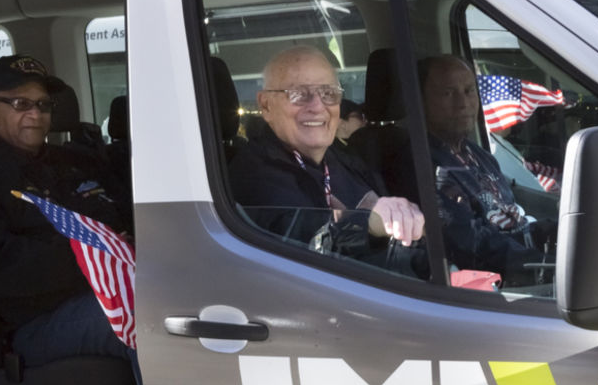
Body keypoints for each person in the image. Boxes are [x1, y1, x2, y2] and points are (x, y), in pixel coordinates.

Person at [0, 54, 140, 385]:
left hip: (118, 285)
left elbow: (126, 213)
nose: (35, 114)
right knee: (152, 319)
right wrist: (90, 255)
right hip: (39, 320)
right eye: (21, 103)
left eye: (43, 105)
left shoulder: (78, 161)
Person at [228, 46, 426, 272]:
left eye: (328, 93)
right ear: (265, 105)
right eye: (299, 94)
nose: (317, 106)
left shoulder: (342, 158)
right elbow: (301, 248)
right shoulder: (253, 176)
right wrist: (367, 223)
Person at [406, 55, 549, 277]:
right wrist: (547, 266)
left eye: (469, 91)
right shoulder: (423, 165)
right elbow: (473, 246)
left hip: (523, 257)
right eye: (447, 93)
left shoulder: (479, 155)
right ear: (421, 99)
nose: (463, 103)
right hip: (498, 284)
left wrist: (558, 231)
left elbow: (511, 218)